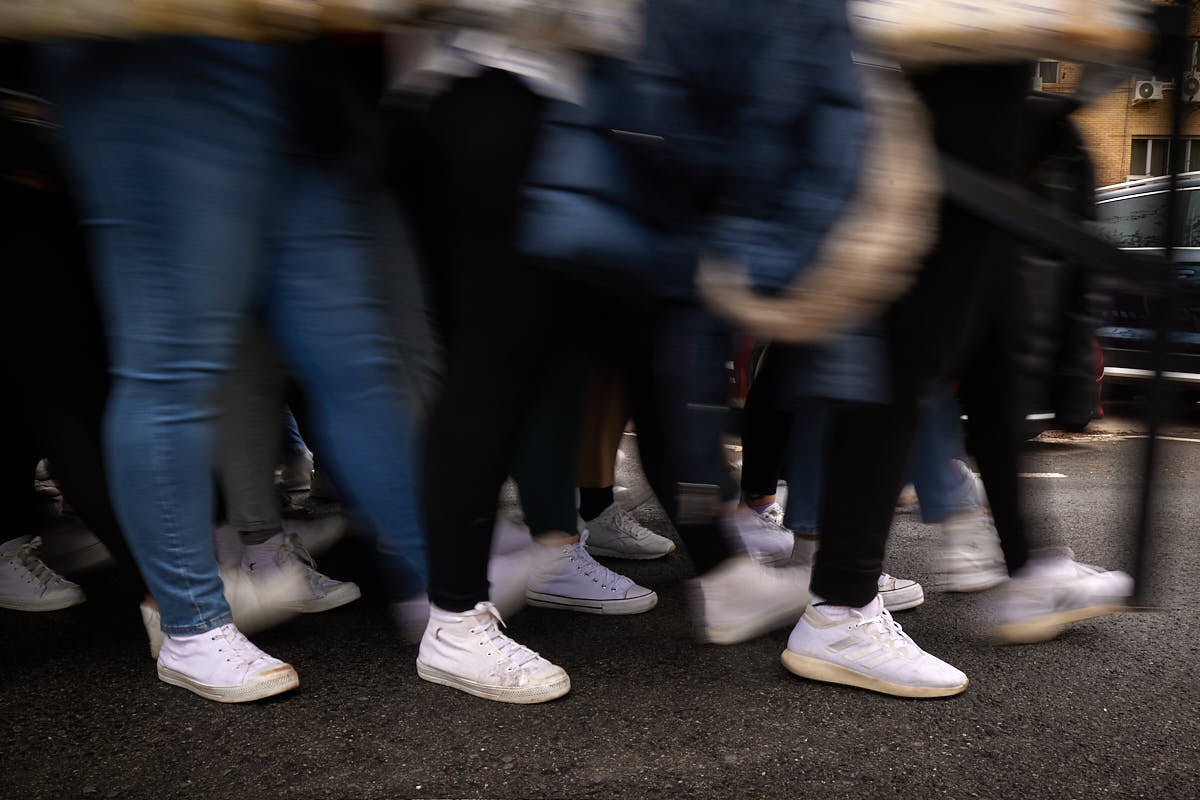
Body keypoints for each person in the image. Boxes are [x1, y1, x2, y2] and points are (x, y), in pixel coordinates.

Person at [37, 35, 429, 702]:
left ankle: (449, 601)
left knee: (355, 356)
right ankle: (191, 625)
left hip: (286, 57)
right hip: (162, 47)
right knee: (172, 362)